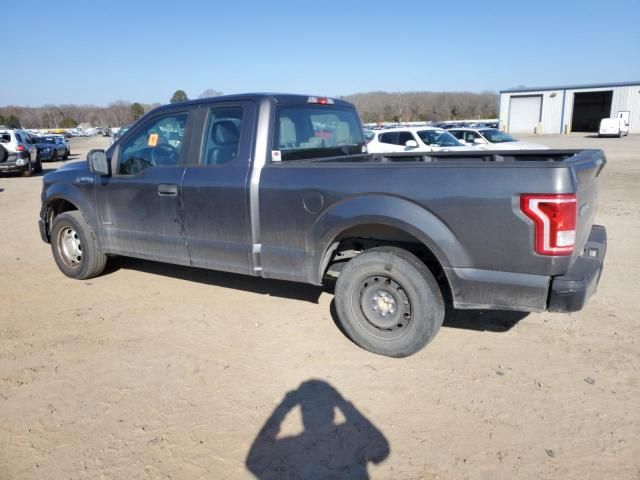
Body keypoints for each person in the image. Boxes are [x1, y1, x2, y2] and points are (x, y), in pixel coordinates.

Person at [246, 380, 389, 479]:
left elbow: (253, 461)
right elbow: (382, 449)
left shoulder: (291, 446)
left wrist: (284, 407)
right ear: (333, 412)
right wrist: (344, 404)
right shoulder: (349, 434)